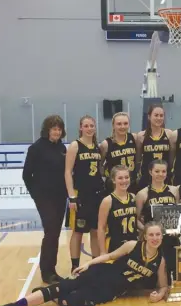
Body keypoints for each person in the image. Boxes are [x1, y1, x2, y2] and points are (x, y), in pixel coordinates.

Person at [0, 222, 168, 306]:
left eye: (158, 235)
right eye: (151, 235)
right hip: (101, 273)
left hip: (109, 291)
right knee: (57, 289)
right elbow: (109, 256)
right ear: (145, 236)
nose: (155, 238)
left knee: (67, 302)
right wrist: (89, 264)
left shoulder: (160, 261)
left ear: (162, 236)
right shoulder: (132, 246)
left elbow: (163, 286)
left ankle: (52, 296)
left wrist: (159, 295)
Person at [22, 115, 68, 284]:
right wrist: (36, 195)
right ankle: (46, 271)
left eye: (59, 129)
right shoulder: (36, 148)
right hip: (44, 197)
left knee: (55, 233)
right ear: (47, 130)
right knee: (50, 231)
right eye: (54, 128)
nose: (57, 131)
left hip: (60, 197)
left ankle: (52, 270)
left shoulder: (62, 148)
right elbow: (27, 175)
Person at [65, 115, 105, 272]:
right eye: (86, 126)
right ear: (81, 128)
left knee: (96, 230)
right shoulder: (75, 145)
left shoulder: (97, 146)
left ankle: (94, 265)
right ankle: (75, 266)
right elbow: (67, 172)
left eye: (92, 126)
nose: (89, 128)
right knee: (78, 231)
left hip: (97, 194)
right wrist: (71, 195)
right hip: (81, 194)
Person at [136, 159, 179, 280]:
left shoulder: (174, 191)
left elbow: (178, 213)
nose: (160, 174)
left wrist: (180, 227)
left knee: (171, 270)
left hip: (171, 237)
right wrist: (146, 231)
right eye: (157, 171)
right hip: (153, 239)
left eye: (163, 171)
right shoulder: (142, 194)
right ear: (150, 172)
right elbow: (136, 219)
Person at [97, 165, 138, 255]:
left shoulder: (133, 197)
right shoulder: (108, 200)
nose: (124, 181)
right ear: (113, 180)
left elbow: (136, 221)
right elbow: (101, 228)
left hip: (133, 243)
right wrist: (103, 251)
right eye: (120, 178)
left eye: (126, 177)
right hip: (114, 244)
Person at [136, 104, 173, 191]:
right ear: (149, 116)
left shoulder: (169, 134)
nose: (159, 118)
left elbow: (172, 157)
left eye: (161, 115)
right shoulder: (141, 135)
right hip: (147, 177)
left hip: (164, 176)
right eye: (156, 115)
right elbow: (138, 158)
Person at [99, 112, 137, 194]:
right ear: (113, 126)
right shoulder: (106, 144)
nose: (122, 126)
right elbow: (100, 164)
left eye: (125, 123)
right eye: (119, 124)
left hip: (132, 184)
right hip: (114, 187)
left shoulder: (134, 138)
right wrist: (108, 176)